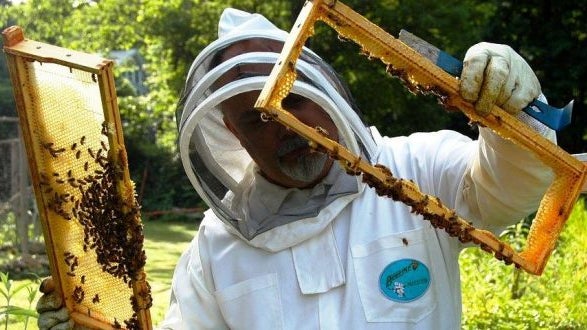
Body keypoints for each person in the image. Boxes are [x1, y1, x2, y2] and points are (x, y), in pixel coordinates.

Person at [37, 7, 555, 330]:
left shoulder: (415, 166)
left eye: (292, 101)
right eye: (257, 119)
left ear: (321, 90)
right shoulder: (216, 249)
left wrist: (513, 116)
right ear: (232, 134)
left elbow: (511, 187)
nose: (284, 127)